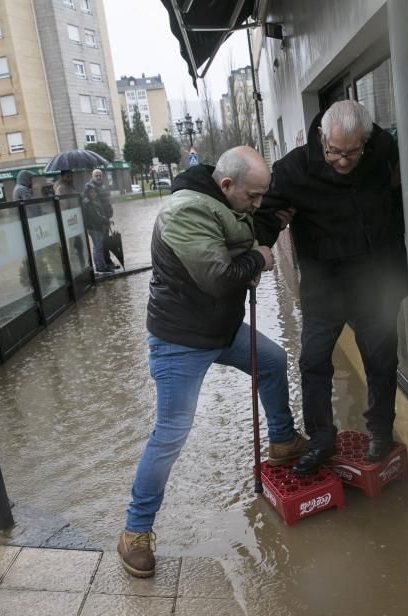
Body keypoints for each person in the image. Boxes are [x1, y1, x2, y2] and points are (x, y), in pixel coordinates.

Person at [118, 146, 307, 578]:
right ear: (226, 185)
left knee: (273, 361)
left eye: (263, 196)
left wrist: (267, 226)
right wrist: (258, 258)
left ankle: (281, 442)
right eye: (253, 197)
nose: (257, 204)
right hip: (180, 341)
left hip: (220, 331)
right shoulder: (186, 212)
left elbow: (244, 234)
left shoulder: (225, 200)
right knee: (171, 434)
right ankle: (135, 531)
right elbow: (220, 277)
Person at [254, 100, 408, 475]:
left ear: (366, 142)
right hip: (325, 284)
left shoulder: (382, 152)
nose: (342, 160)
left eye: (351, 153)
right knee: (313, 362)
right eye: (334, 151)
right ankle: (322, 439)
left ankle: (380, 432)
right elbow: (266, 215)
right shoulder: (292, 170)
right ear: (322, 137)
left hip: (373, 281)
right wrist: (257, 248)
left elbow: (403, 180)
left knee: (381, 360)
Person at [82, 168, 114, 273]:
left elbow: (106, 202)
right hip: (98, 222)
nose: (99, 177)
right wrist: (104, 221)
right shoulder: (90, 188)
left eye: (100, 175)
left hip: (104, 219)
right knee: (98, 245)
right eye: (96, 176)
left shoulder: (103, 186)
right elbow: (94, 212)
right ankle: (101, 266)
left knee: (105, 242)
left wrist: (108, 215)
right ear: (92, 176)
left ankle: (107, 263)